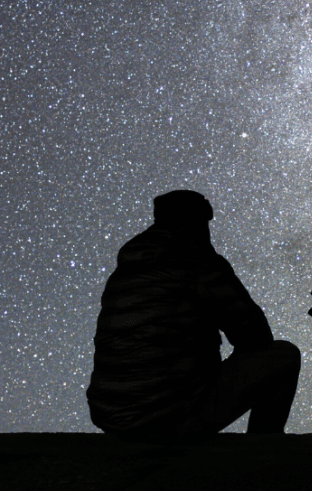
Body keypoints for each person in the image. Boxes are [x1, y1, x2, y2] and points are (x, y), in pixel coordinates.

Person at [86, 189, 300, 442]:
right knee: (283, 357)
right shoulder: (199, 261)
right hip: (167, 420)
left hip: (113, 418)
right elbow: (255, 336)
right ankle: (264, 453)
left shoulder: (125, 272)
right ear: (199, 220)